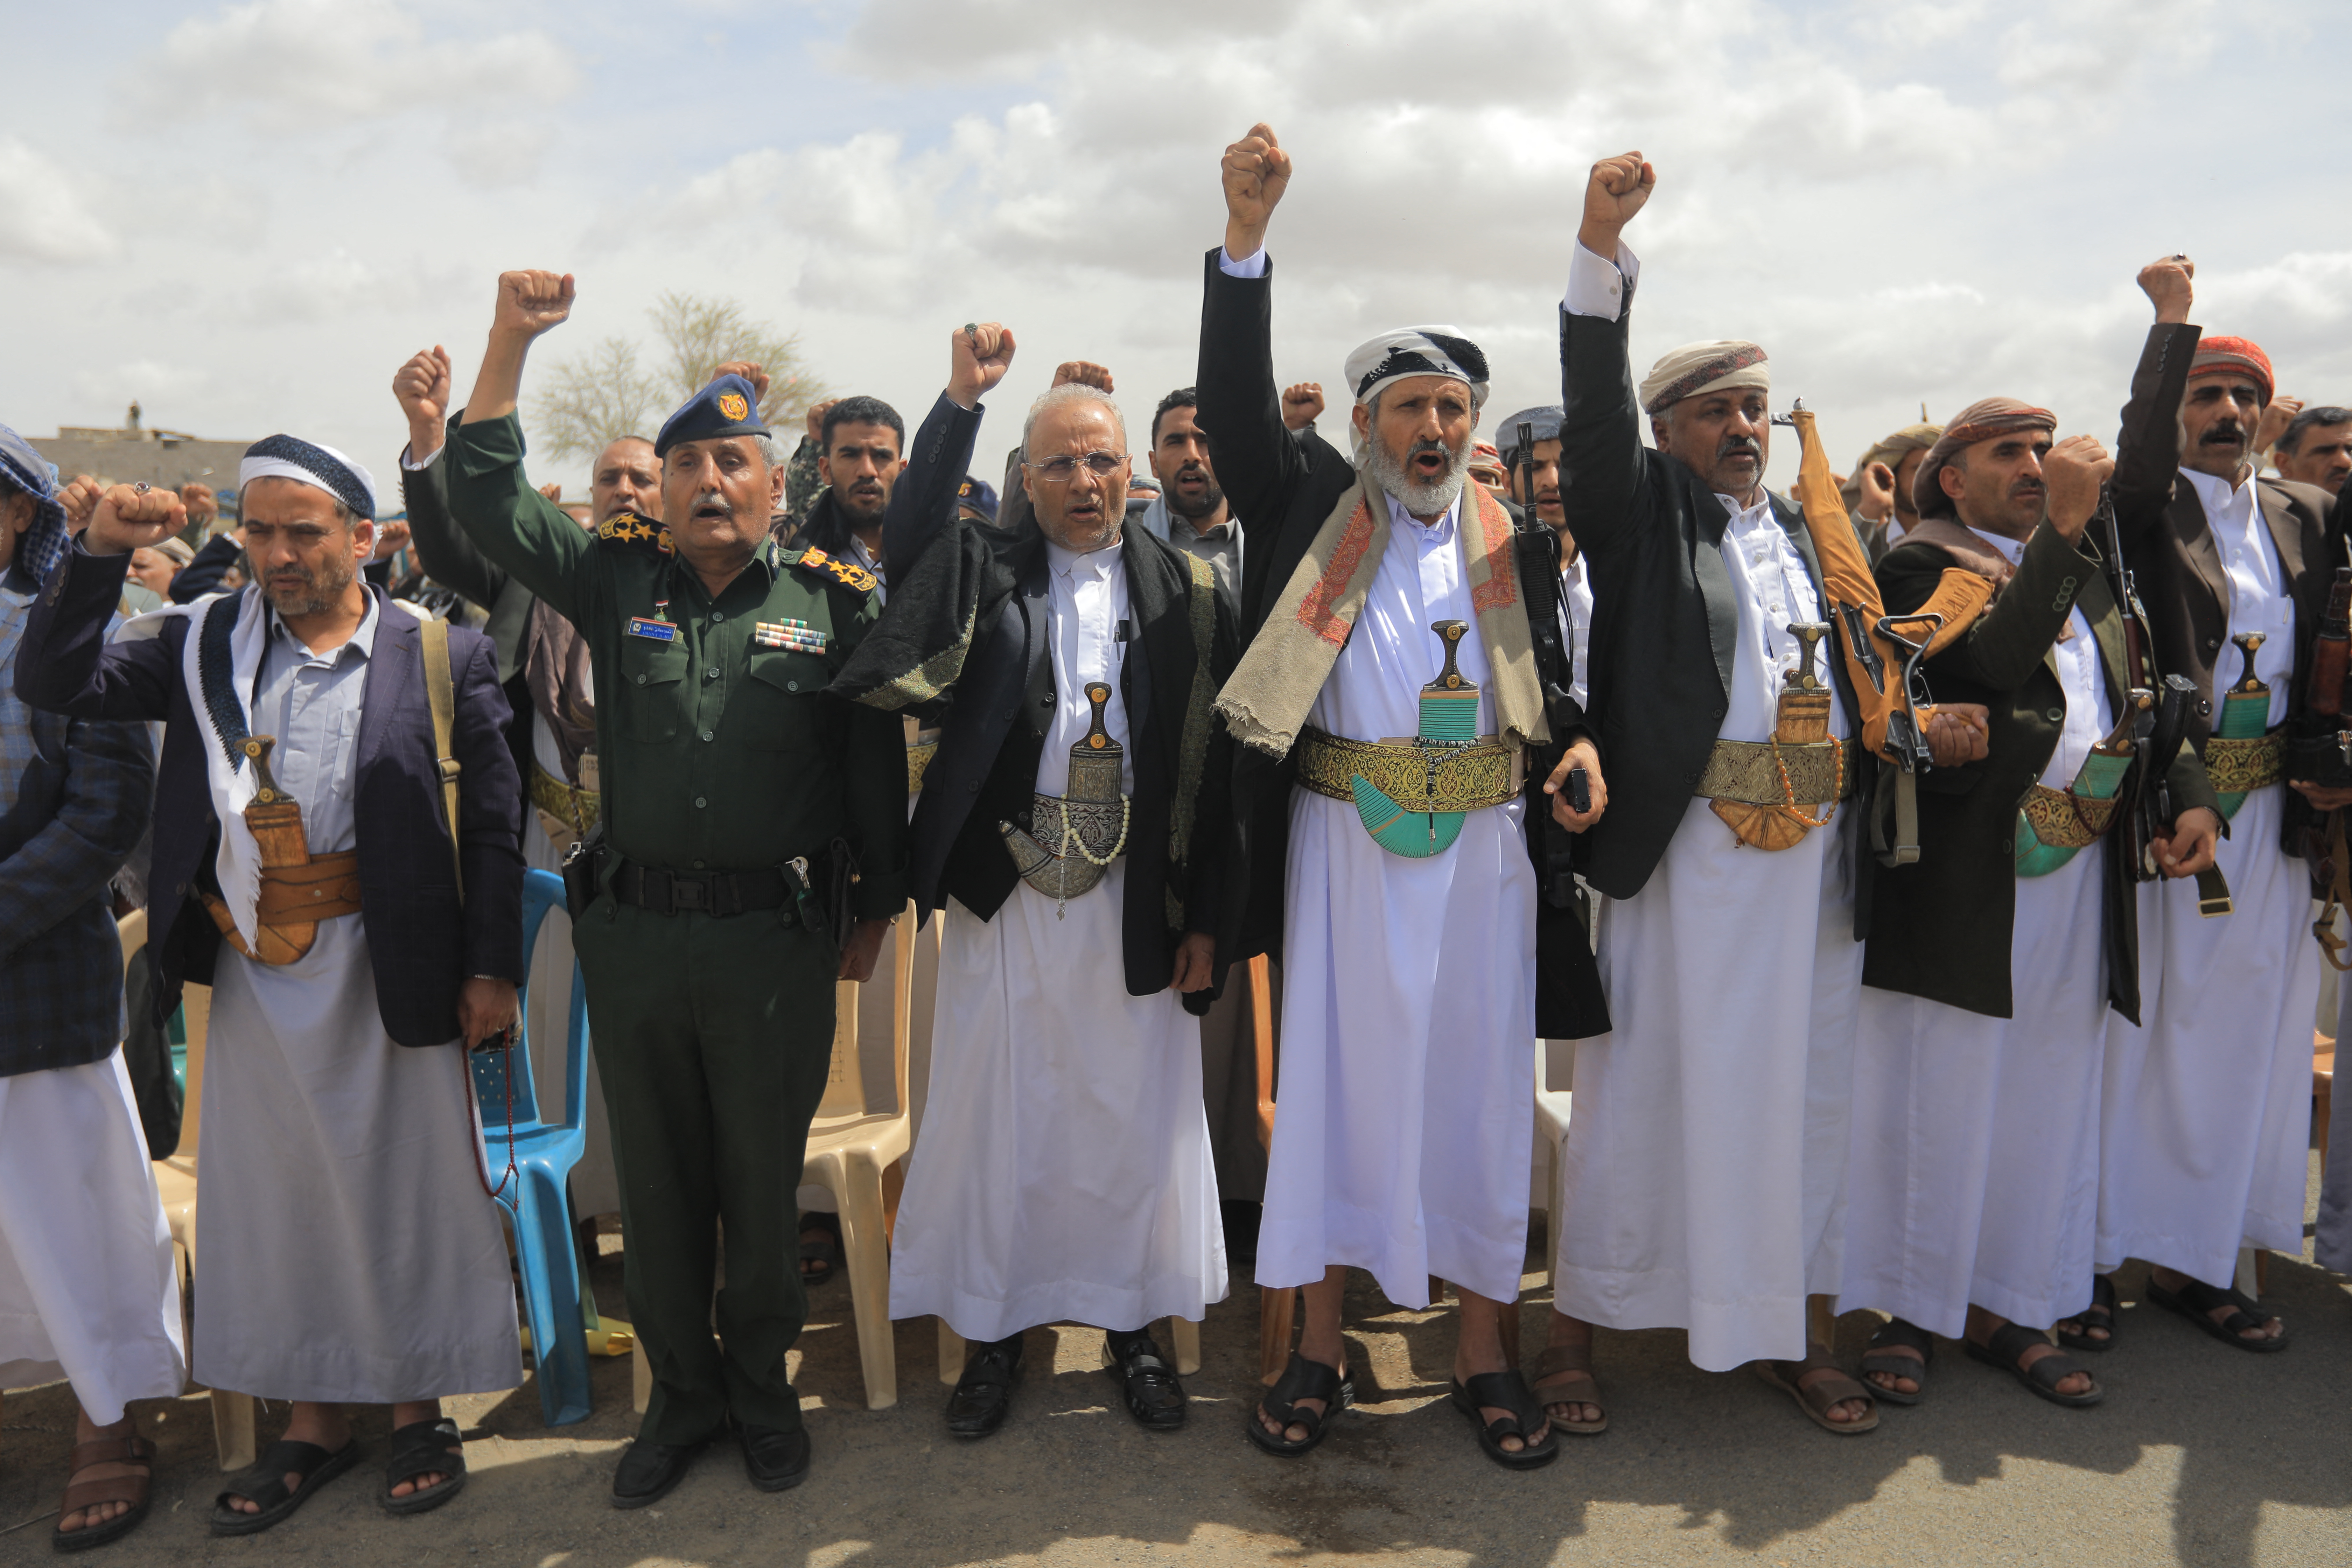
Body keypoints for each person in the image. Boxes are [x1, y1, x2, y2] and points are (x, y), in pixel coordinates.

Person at [439, 268, 908, 1506]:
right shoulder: (615, 580)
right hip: (637, 939)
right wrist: (509, 343)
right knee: (657, 1189)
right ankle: (680, 1403)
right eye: (688, 462)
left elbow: (870, 770)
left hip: (773, 945)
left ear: (774, 483)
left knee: (760, 1188)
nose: (708, 484)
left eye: (732, 464)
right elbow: (484, 491)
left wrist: (874, 910)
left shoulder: (831, 603)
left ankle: (763, 1394)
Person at [1538, 151, 1988, 1438]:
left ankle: (1787, 1328)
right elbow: (1585, 403)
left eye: (1752, 409)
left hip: (1809, 873)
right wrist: (1596, 250)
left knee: (1801, 1100)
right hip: (1686, 865)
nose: (1741, 428)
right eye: (1711, 412)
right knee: (1642, 1091)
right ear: (1664, 434)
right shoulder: (1640, 525)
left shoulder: (1801, 538)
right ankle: (1577, 1326)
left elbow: (1850, 680)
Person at [16, 438, 527, 1534]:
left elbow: (489, 826)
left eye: (304, 530)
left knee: (401, 1190)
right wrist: (102, 551)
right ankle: (314, 1422)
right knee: (279, 1198)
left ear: (364, 535)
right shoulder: (201, 639)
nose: (279, 553)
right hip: (253, 970)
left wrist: (491, 967)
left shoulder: (438, 652)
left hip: (391, 966)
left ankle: (417, 1405)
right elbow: (56, 677)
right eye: (259, 530)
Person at [1198, 124, 1604, 1470]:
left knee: (1477, 1102)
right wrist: (1244, 249)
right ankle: (1317, 1345)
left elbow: (1549, 688)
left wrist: (1574, 747)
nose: (1431, 432)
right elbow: (1239, 413)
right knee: (1332, 1093)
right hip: (1340, 856)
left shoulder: (1513, 546)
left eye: (1450, 411)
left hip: (1483, 864)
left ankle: (1482, 1353)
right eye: (1407, 410)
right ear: (1367, 425)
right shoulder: (1316, 510)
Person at [826, 321, 1238, 1438]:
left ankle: (1131, 1329)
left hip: (1130, 903)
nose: (1082, 480)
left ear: (1131, 472)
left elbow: (1216, 773)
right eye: (1056, 461)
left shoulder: (1188, 591)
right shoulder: (981, 570)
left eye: (1101, 458)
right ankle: (994, 1333)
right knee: (998, 1117)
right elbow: (906, 537)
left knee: (1127, 1121)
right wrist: (957, 399)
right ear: (1025, 476)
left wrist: (1206, 916)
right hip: (1001, 890)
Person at [1838, 400, 2219, 1409]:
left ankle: (2011, 1306)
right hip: (1968, 880)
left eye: (2043, 452)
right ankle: (1913, 1313)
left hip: (2080, 870)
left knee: (2046, 1101)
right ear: (1951, 481)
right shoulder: (1922, 566)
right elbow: (1994, 661)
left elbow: (2149, 692)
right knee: (1939, 1100)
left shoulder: (2090, 566)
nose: (2034, 466)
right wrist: (2061, 528)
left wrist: (2192, 802)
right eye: (2008, 454)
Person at [2094, 260, 2343, 1356]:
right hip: (2170, 812)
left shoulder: (2305, 511)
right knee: (2141, 1038)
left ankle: (2205, 1257)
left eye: (2242, 398)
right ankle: (2093, 1254)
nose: (2226, 415)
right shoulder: (2142, 509)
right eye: (2204, 395)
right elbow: (2137, 459)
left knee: (2248, 1038)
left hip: (2275, 823)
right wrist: (2170, 327)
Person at [395, 345, 650, 1229]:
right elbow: (443, 542)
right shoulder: (530, 577)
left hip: (651, 857)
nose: (627, 490)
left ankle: (646, 1216)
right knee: (548, 1035)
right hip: (545, 842)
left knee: (639, 1050)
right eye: (612, 476)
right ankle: (555, 1223)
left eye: (643, 478)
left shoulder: (692, 587)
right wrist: (430, 438)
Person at [0, 426, 182, 1552]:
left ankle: (106, 1424)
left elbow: (105, 808)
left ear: (19, 513)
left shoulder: (64, 632)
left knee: (69, 1213)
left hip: (33, 980)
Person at [1496, 406, 1590, 707]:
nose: (1552, 480)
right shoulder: (1490, 574)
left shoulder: (1613, 572)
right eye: (1534, 467)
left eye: (1565, 465)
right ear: (1507, 482)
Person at [1135, 387, 1242, 608]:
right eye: (1176, 442)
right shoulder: (1125, 541)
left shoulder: (1269, 543)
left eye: (1204, 440)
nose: (1192, 455)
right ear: (1154, 464)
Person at [791, 395, 905, 589]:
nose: (867, 471)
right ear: (826, 471)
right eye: (850, 455)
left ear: (902, 472)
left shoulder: (929, 555)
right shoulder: (798, 554)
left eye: (881, 456)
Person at [1842, 422, 1943, 560]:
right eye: (1918, 469)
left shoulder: (1963, 540)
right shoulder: (1869, 543)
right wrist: (1873, 506)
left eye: (1936, 470)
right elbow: (1838, 565)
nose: (1929, 478)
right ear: (1893, 478)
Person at [2270, 403, 2352, 497]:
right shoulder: (2261, 508)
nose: (2346, 462)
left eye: (2350, 451)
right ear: (2284, 464)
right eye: (2326, 452)